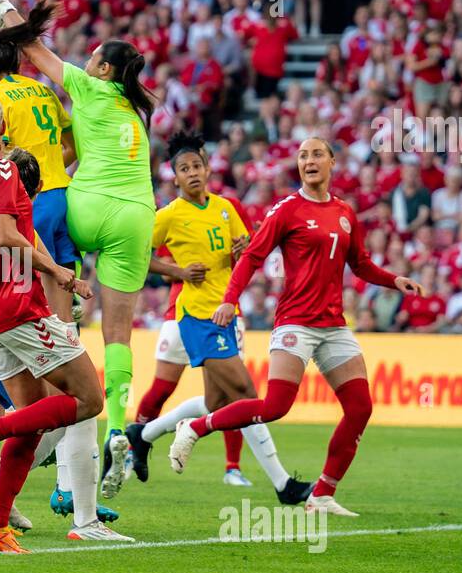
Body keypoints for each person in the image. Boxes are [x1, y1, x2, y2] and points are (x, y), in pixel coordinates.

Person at [169, 138, 426, 517]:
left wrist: (394, 280)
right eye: (303, 155)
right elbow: (253, 255)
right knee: (275, 406)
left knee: (360, 408)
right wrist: (230, 298)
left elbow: (361, 264)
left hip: (334, 325)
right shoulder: (287, 209)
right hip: (296, 322)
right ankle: (195, 427)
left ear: (332, 162)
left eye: (317, 154)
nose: (309, 160)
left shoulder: (344, 211)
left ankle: (322, 493)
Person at [0, 0, 156, 496]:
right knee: (119, 332)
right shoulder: (133, 109)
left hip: (82, 208)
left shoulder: (91, 89)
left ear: (102, 68)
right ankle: (119, 426)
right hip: (136, 216)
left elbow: (31, 48)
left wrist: (1, 3)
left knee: (58, 309)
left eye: (92, 57)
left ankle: (58, 327)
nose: (85, 61)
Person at [0, 93, 124, 551]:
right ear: (4, 128)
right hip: (18, 304)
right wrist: (59, 271)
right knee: (89, 398)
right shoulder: (1, 171)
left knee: (31, 419)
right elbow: (5, 235)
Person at [125, 136, 313, 504]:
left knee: (217, 404)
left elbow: (249, 255)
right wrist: (178, 271)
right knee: (246, 395)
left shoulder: (226, 208)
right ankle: (283, 485)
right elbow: (137, 256)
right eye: (184, 169)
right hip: (197, 318)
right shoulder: (168, 215)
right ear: (174, 177)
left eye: (197, 166)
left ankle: (142, 435)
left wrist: (243, 250)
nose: (192, 173)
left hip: (226, 314)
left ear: (209, 169)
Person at [0, 30, 103, 522]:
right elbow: (73, 143)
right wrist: (52, 170)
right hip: (59, 196)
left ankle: (42, 489)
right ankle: (65, 492)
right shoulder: (46, 91)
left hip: (25, 208)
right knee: (65, 340)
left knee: (58, 347)